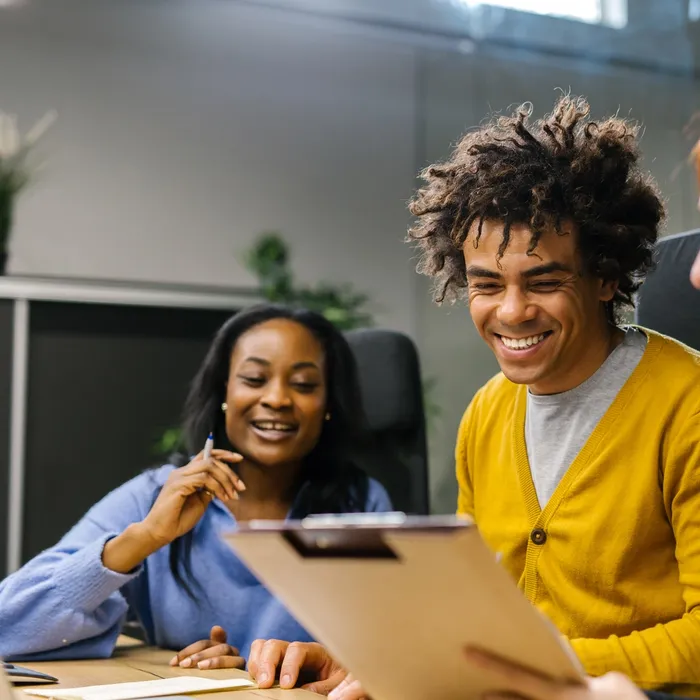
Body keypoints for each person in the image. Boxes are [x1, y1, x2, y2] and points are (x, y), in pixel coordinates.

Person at [248, 95, 700, 694]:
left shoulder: (686, 404)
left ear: (606, 277)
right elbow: (468, 610)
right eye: (486, 285)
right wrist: (372, 655)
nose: (511, 311)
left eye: (545, 281)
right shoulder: (487, 412)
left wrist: (532, 663)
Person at [0, 304, 392, 665]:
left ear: (328, 404)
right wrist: (147, 535)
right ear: (224, 392)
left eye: (304, 385)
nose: (276, 398)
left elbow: (394, 650)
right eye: (254, 379)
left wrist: (311, 664)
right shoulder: (156, 495)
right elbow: (9, 625)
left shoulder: (361, 504)